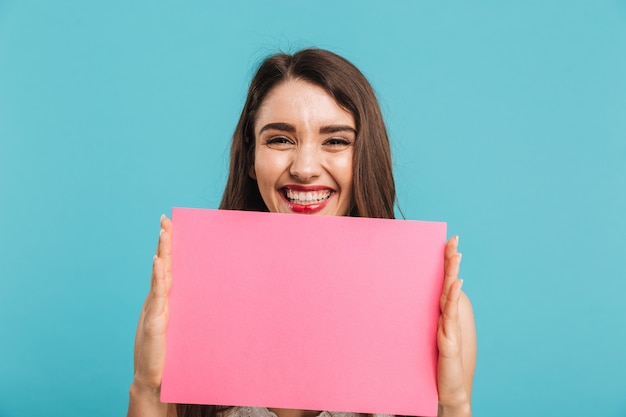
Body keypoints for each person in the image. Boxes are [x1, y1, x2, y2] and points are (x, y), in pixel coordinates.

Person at [128, 48, 477, 417]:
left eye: (336, 140)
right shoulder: (180, 299)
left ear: (365, 157)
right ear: (250, 158)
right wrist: (147, 389)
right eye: (280, 139)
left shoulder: (437, 313)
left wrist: (452, 404)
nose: (306, 168)